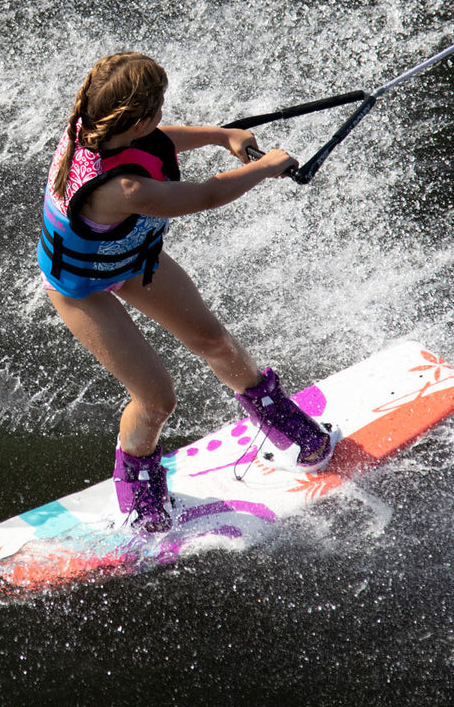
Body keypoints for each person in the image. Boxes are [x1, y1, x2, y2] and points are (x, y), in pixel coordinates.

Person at [38, 51, 336, 532]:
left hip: (132, 260)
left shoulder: (98, 123)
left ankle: (278, 420)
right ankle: (136, 488)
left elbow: (156, 142)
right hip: (79, 287)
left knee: (214, 341)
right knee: (156, 399)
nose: (160, 118)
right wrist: (268, 167)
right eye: (156, 108)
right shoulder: (123, 190)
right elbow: (206, 195)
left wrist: (223, 136)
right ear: (135, 118)